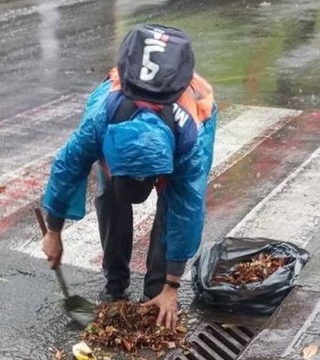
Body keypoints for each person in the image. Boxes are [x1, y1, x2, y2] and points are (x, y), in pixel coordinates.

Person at [40, 24, 217, 329]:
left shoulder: (191, 141)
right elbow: (67, 168)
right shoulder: (100, 121)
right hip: (120, 116)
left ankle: (157, 287)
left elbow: (186, 211)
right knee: (110, 196)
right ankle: (114, 282)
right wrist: (53, 231)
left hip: (194, 107)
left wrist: (172, 287)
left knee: (172, 203)